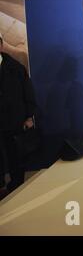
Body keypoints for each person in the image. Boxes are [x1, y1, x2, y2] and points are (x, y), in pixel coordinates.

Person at [0, 32, 36, 195]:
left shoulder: (15, 67)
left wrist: (29, 116)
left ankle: (16, 187)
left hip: (13, 120)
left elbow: (28, 93)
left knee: (15, 155)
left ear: (1, 45)